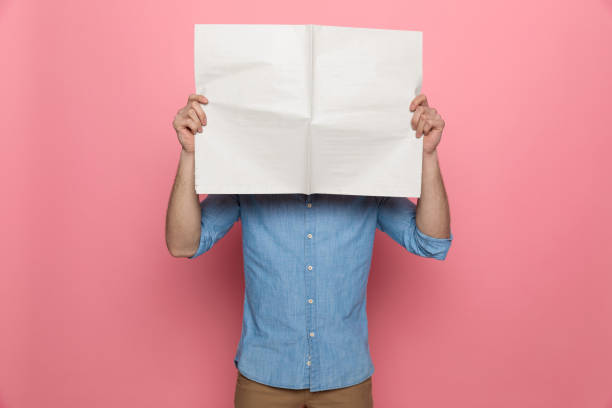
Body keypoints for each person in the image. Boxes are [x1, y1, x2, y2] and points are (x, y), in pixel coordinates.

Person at [165, 93, 453, 408]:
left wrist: (427, 155)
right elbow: (183, 244)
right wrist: (189, 154)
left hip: (345, 379)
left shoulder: (369, 182)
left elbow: (430, 240)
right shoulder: (247, 179)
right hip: (263, 377)